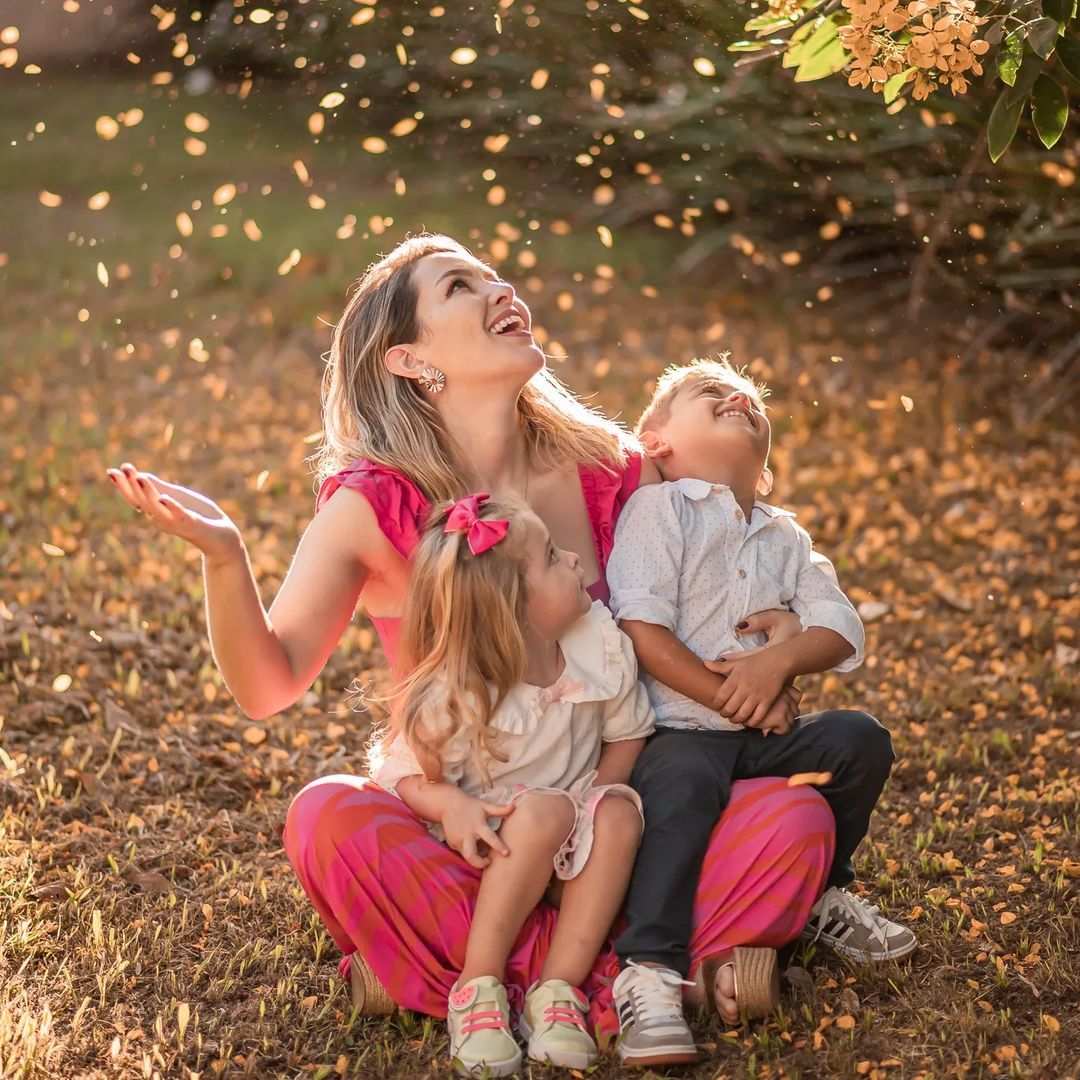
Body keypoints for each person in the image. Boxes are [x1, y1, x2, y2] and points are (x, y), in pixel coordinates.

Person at [105, 234, 835, 1050]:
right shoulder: (373, 503)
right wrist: (226, 557)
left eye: (495, 275)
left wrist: (785, 637)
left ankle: (451, 973)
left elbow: (725, 551)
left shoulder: (612, 468)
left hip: (618, 831)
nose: (500, 288)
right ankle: (633, 978)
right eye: (461, 285)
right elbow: (269, 684)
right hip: (473, 835)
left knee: (794, 816)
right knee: (326, 818)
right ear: (411, 358)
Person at [606, 357, 917, 1067]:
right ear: (655, 441)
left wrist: (778, 663)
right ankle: (648, 968)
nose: (737, 396)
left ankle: (822, 891)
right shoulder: (661, 511)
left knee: (858, 739)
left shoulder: (786, 537)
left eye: (749, 396)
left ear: (767, 470)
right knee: (680, 793)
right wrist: (733, 699)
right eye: (709, 393)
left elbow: (842, 629)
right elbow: (642, 630)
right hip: (677, 732)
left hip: (763, 735)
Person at [369, 492, 653, 1074]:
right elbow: (394, 774)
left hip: (570, 844)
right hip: (485, 851)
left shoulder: (598, 646)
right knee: (544, 813)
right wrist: (448, 802)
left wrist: (591, 815)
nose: (575, 559)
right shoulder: (456, 694)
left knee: (618, 813)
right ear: (513, 609)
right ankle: (478, 987)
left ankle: (558, 992)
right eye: (552, 556)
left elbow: (629, 734)